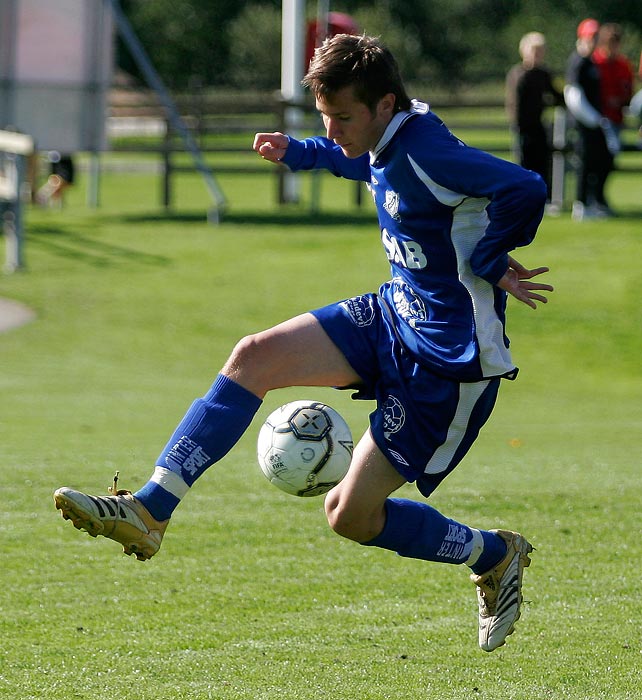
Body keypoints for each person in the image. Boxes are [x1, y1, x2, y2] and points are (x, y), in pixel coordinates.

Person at [54, 34, 553, 653]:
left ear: (384, 104)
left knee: (350, 516)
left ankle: (494, 554)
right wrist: (304, 152)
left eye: (343, 117)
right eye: (325, 117)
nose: (335, 128)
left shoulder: (427, 151)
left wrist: (489, 255)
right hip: (393, 314)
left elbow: (526, 187)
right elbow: (362, 160)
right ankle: (150, 511)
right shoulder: (388, 137)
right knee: (253, 356)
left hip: (448, 362)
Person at [564, 18, 620, 220]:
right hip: (583, 124)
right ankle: (581, 205)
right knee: (584, 163)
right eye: (591, 37)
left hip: (594, 123)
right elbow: (573, 95)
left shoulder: (591, 61)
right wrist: (594, 118)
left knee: (598, 162)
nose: (594, 41)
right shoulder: (578, 61)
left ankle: (592, 202)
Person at [505, 31, 564, 201]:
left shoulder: (544, 74)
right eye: (534, 50)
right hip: (522, 127)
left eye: (540, 51)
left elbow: (556, 96)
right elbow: (514, 103)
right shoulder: (517, 74)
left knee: (543, 162)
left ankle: (544, 197)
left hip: (539, 125)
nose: (537, 55)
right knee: (524, 163)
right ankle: (524, 197)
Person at [592, 23, 634, 142]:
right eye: (610, 43)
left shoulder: (623, 65)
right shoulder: (595, 63)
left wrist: (620, 100)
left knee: (613, 150)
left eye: (616, 43)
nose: (612, 47)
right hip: (598, 116)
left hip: (616, 116)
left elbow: (628, 89)